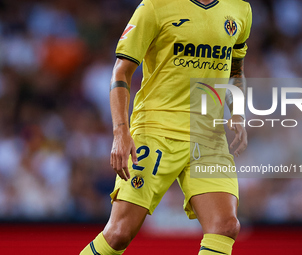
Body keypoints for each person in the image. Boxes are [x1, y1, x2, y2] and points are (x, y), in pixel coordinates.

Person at [80, 0, 252, 254]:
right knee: (119, 233)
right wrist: (120, 132)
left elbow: (235, 66)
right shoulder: (155, 6)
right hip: (156, 132)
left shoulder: (240, 9)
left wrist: (237, 112)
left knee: (225, 226)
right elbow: (121, 72)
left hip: (207, 136)